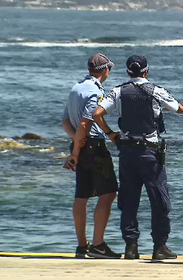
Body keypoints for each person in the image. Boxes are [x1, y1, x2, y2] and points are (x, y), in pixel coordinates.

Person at [93, 55, 183, 260]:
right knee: (160, 201)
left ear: (127, 72)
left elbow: (97, 113)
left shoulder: (117, 91)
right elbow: (179, 109)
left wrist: (110, 134)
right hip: (151, 153)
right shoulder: (155, 90)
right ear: (146, 71)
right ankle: (159, 246)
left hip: (127, 152)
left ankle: (131, 247)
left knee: (129, 201)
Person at [61, 53, 121, 259]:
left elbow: (66, 121)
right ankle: (98, 245)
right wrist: (77, 149)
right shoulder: (95, 92)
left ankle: (81, 246)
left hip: (81, 144)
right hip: (94, 147)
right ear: (106, 70)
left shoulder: (75, 88)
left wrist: (76, 142)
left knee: (81, 195)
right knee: (109, 193)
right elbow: (86, 123)